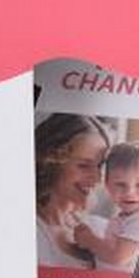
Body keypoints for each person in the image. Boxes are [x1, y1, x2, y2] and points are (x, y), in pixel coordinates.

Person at [35, 114, 110, 268]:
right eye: (83, 166)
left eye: (100, 166)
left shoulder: (100, 228)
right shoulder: (30, 231)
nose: (97, 178)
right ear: (51, 164)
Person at [74, 141, 139, 272]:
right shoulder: (124, 218)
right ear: (107, 186)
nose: (129, 192)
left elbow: (117, 256)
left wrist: (90, 240)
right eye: (120, 184)